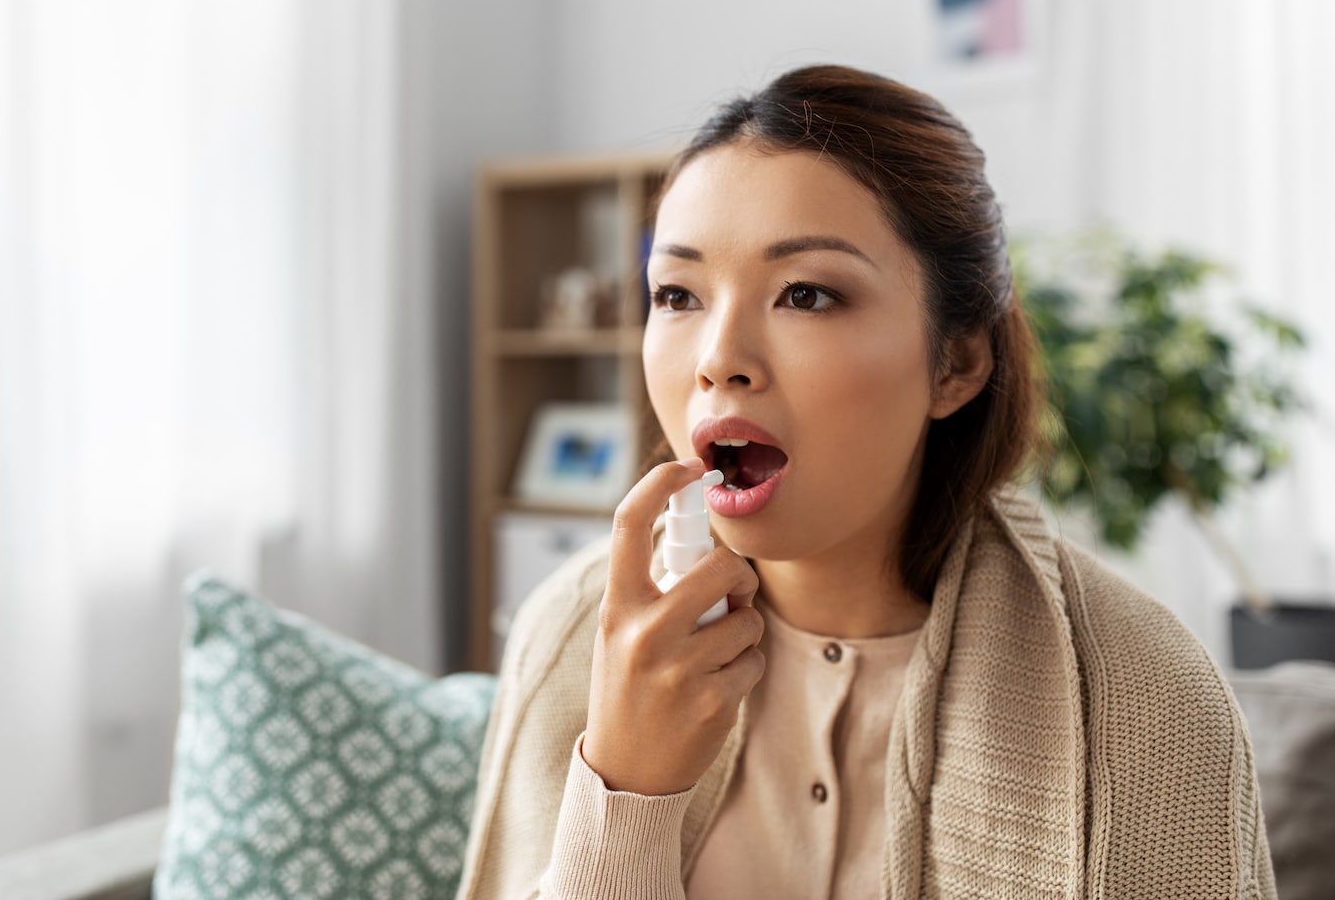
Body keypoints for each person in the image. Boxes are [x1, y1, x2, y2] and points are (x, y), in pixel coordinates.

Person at [455, 65, 1276, 899]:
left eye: (805, 294)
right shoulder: (568, 634)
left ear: (955, 362)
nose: (717, 361)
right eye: (677, 294)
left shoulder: (1150, 704)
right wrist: (625, 793)